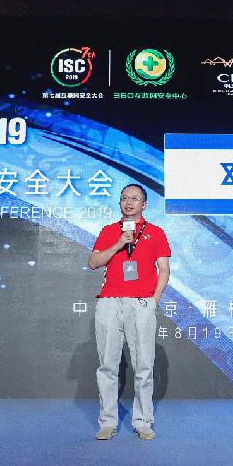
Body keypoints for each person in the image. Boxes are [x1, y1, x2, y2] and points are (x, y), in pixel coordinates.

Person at [87, 183, 171, 440]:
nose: (129, 202)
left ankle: (143, 422)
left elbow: (164, 270)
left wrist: (154, 301)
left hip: (141, 303)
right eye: (124, 198)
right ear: (120, 203)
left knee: (144, 365)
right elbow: (93, 262)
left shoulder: (155, 233)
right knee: (107, 365)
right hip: (110, 302)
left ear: (144, 204)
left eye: (134, 198)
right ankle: (107, 422)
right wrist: (117, 244)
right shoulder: (109, 231)